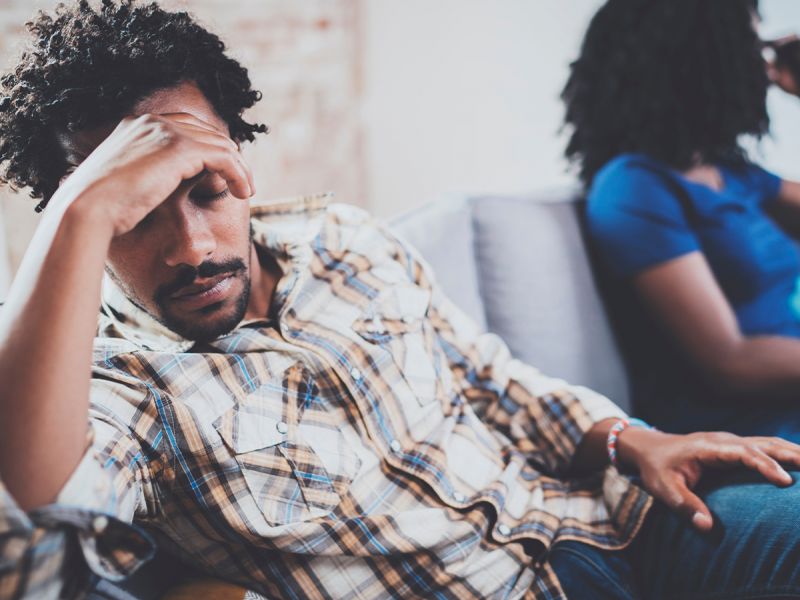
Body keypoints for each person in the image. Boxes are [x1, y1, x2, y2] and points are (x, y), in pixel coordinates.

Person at [1, 2, 800, 599]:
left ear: (240, 160)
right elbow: (31, 541)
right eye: (135, 211)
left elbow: (490, 378)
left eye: (207, 190)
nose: (192, 247)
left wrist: (627, 438)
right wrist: (80, 209)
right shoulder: (118, 384)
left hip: (610, 519)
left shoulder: (343, 238)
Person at [565, 0, 800, 442]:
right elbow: (733, 363)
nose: (767, 66)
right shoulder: (633, 186)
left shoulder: (734, 175)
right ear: (702, 61)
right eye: (752, 46)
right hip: (744, 424)